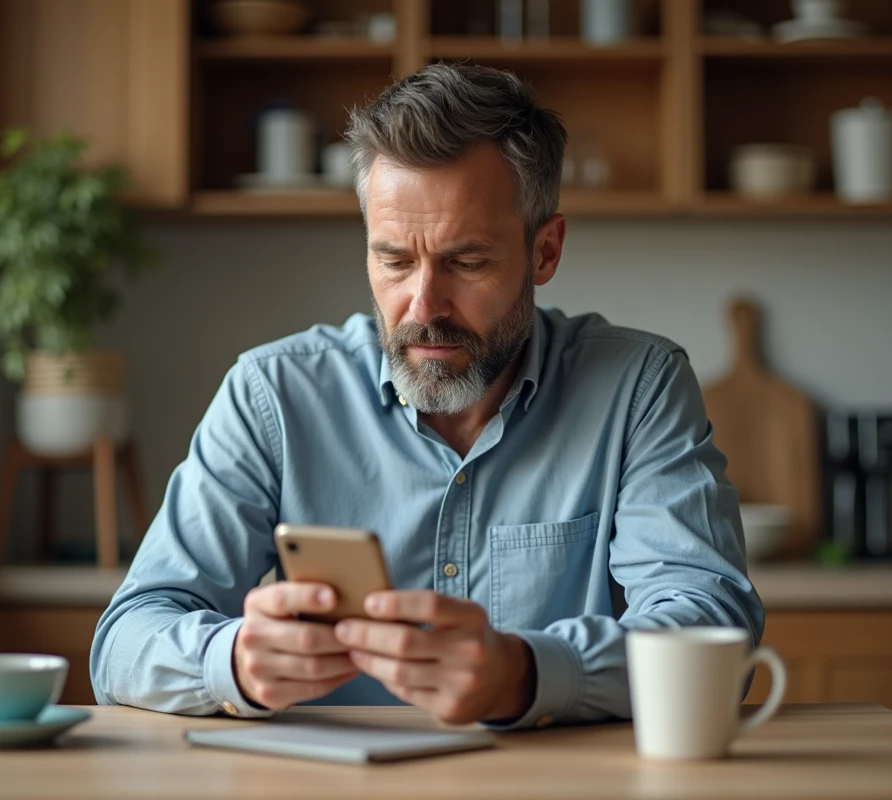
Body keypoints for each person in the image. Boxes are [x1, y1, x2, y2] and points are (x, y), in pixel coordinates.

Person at [91, 63, 763, 730]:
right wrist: (231, 660)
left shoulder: (637, 388)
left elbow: (711, 626)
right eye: (394, 260)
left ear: (545, 252)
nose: (423, 306)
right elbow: (124, 641)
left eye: (466, 262)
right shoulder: (273, 395)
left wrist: (527, 673)